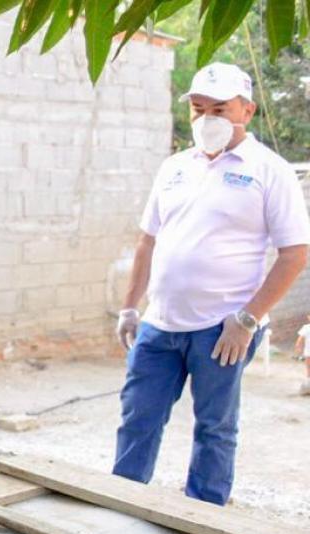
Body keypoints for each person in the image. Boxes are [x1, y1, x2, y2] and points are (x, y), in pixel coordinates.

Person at [114, 63, 309, 505]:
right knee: (138, 418)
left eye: (219, 109)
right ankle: (119, 505)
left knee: (215, 427)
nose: (207, 120)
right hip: (159, 326)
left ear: (248, 110)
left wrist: (247, 319)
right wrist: (130, 307)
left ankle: (204, 518)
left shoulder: (269, 170)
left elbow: (296, 254)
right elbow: (148, 241)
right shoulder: (174, 167)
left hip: (222, 330)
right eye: (198, 109)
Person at [294, 314, 310, 395]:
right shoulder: (306, 327)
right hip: (308, 352)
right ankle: (308, 383)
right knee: (308, 368)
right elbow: (300, 338)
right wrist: (298, 346)